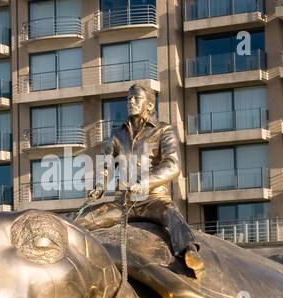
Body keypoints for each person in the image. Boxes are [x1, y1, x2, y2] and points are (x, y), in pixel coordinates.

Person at [78, 82, 205, 277]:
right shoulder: (117, 134)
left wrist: (144, 182)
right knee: (83, 219)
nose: (131, 102)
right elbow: (105, 166)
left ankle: (190, 251)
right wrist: (98, 186)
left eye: (136, 98)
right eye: (129, 99)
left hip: (153, 199)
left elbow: (172, 165)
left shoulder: (163, 130)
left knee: (172, 215)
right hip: (123, 203)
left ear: (150, 105)